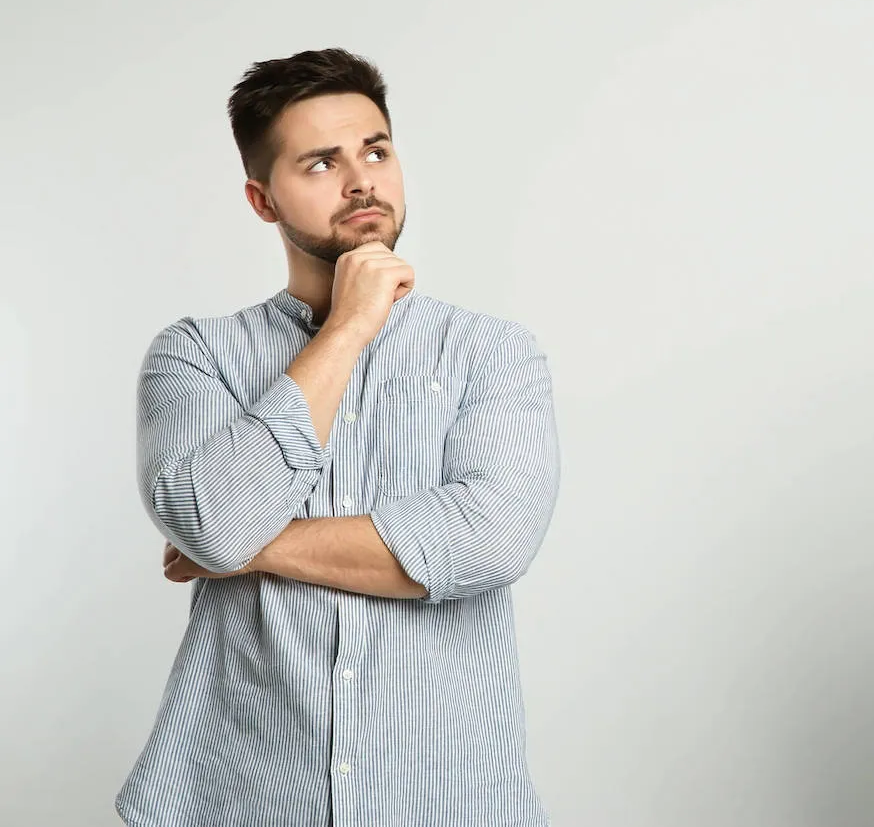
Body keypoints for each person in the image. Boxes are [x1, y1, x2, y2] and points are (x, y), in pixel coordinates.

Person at [116, 48, 560, 827]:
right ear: (263, 199)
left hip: (447, 800)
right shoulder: (195, 355)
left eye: (376, 151)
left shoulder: (493, 353)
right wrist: (351, 327)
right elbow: (208, 518)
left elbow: (490, 539)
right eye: (321, 163)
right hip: (243, 797)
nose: (362, 180)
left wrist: (247, 543)